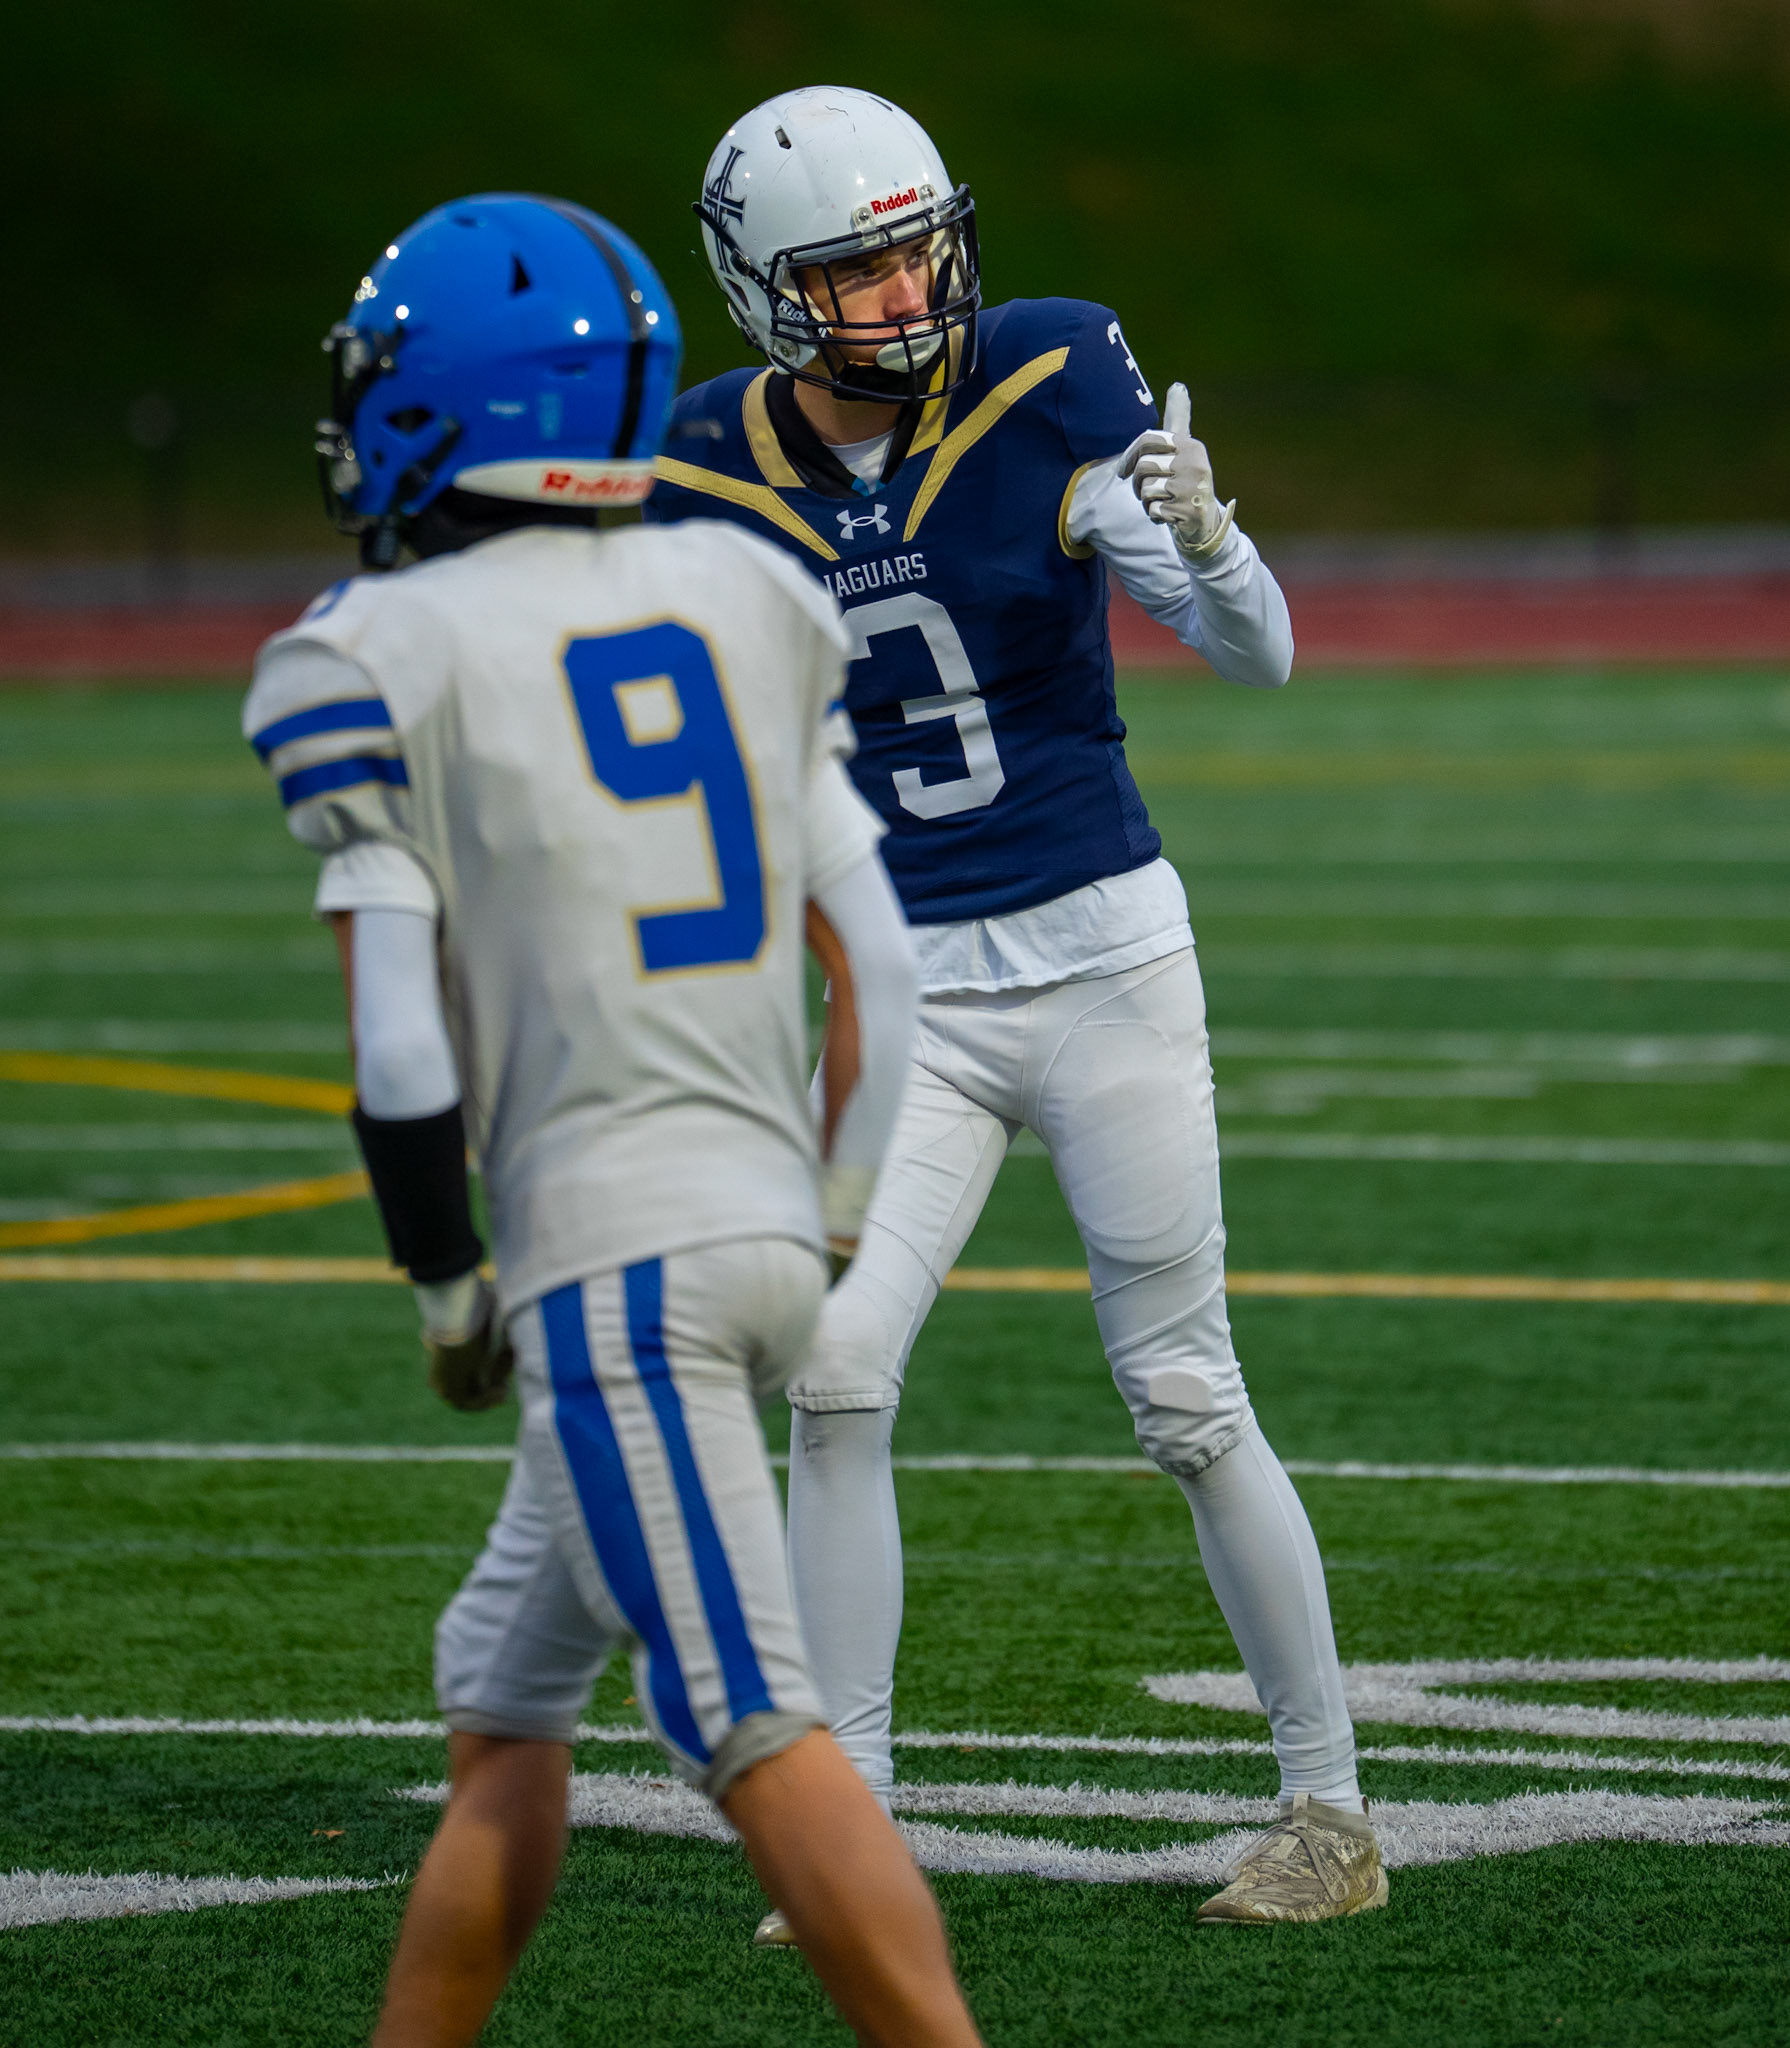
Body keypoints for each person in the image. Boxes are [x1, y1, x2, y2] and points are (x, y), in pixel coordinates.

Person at [242, 190, 985, 2048]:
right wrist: (826, 1222)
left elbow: (398, 1047)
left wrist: (445, 1286)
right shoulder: (746, 591)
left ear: (447, 401)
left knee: (753, 1726)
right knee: (504, 1709)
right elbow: (884, 972)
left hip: (614, 1263)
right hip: (764, 1225)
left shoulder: (367, 650)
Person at [645, 87, 1387, 1930]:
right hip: (901, 997)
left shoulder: (1045, 377)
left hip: (1100, 962)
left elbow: (1256, 655)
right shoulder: (701, 461)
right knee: (833, 1377)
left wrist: (1209, 542)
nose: (907, 294)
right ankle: (851, 1827)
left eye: (918, 250)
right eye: (857, 270)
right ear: (765, 289)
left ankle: (1327, 1814)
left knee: (1186, 1397)